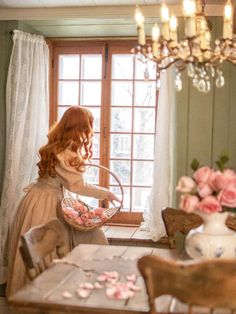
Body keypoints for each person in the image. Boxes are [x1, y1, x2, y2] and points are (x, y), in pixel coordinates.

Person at [6, 106, 121, 296]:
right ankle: (45, 296)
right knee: (47, 248)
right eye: (88, 126)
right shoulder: (66, 153)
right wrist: (106, 193)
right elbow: (77, 186)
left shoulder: (55, 147)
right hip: (46, 204)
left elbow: (73, 183)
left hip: (36, 198)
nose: (89, 131)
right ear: (80, 127)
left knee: (62, 244)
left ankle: (49, 292)